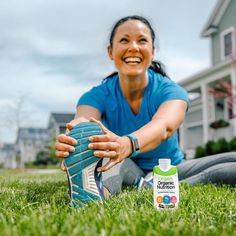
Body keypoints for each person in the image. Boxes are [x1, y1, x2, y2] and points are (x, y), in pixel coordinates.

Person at [55, 15, 236, 205]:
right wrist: (72, 139)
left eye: (142, 40)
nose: (133, 47)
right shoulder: (98, 95)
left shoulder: (171, 91)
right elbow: (84, 120)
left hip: (169, 166)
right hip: (123, 163)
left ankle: (150, 186)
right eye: (124, 40)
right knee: (107, 162)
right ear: (111, 51)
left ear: (153, 51)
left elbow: (164, 126)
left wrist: (127, 144)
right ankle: (94, 194)